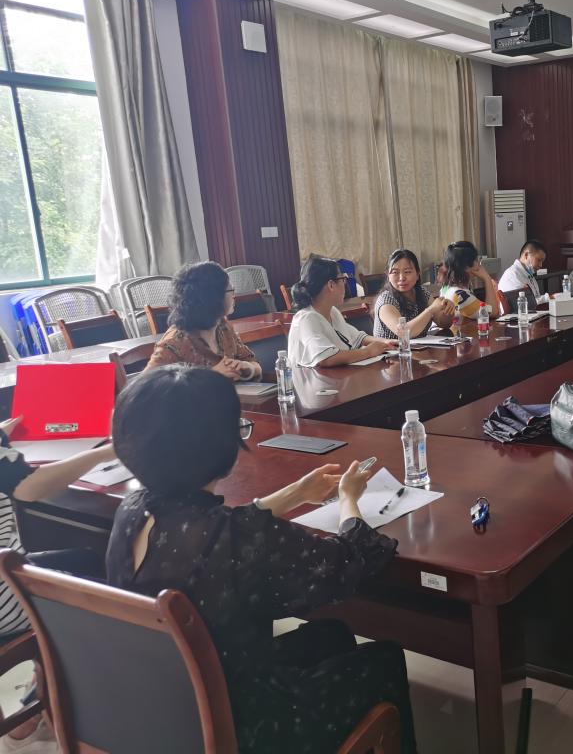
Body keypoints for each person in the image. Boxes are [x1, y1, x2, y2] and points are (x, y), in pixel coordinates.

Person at [105, 366, 417, 753]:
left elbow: (221, 528)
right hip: (245, 729)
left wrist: (296, 493)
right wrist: (348, 498)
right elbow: (345, 562)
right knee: (384, 658)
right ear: (219, 447)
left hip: (170, 708)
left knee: (331, 634)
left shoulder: (131, 510)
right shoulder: (239, 540)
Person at [0, 415, 116, 751]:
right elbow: (29, 487)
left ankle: (42, 693)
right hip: (7, 603)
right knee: (102, 593)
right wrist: (109, 451)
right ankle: (42, 708)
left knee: (84, 560)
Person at [145, 261, 262, 381]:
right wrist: (210, 376)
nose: (234, 296)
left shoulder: (223, 326)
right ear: (212, 297)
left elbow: (253, 362)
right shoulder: (174, 343)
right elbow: (146, 387)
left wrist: (248, 368)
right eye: (230, 290)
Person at [288, 256, 395, 367]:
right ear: (331, 285)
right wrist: (368, 352)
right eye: (343, 279)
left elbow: (358, 338)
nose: (345, 284)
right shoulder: (306, 319)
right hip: (315, 378)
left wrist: (385, 342)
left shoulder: (332, 312)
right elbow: (326, 358)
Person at [373, 249, 455, 340]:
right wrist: (430, 310)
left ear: (417, 274)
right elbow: (404, 332)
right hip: (391, 349)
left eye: (407, 272)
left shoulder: (422, 292)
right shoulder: (385, 300)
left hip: (418, 348)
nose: (401, 278)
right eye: (395, 272)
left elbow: (443, 323)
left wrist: (447, 310)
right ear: (388, 276)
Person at [437, 241, 501, 319]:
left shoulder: (446, 287)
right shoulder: (460, 295)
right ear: (466, 267)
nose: (479, 264)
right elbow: (493, 312)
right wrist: (487, 278)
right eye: (476, 260)